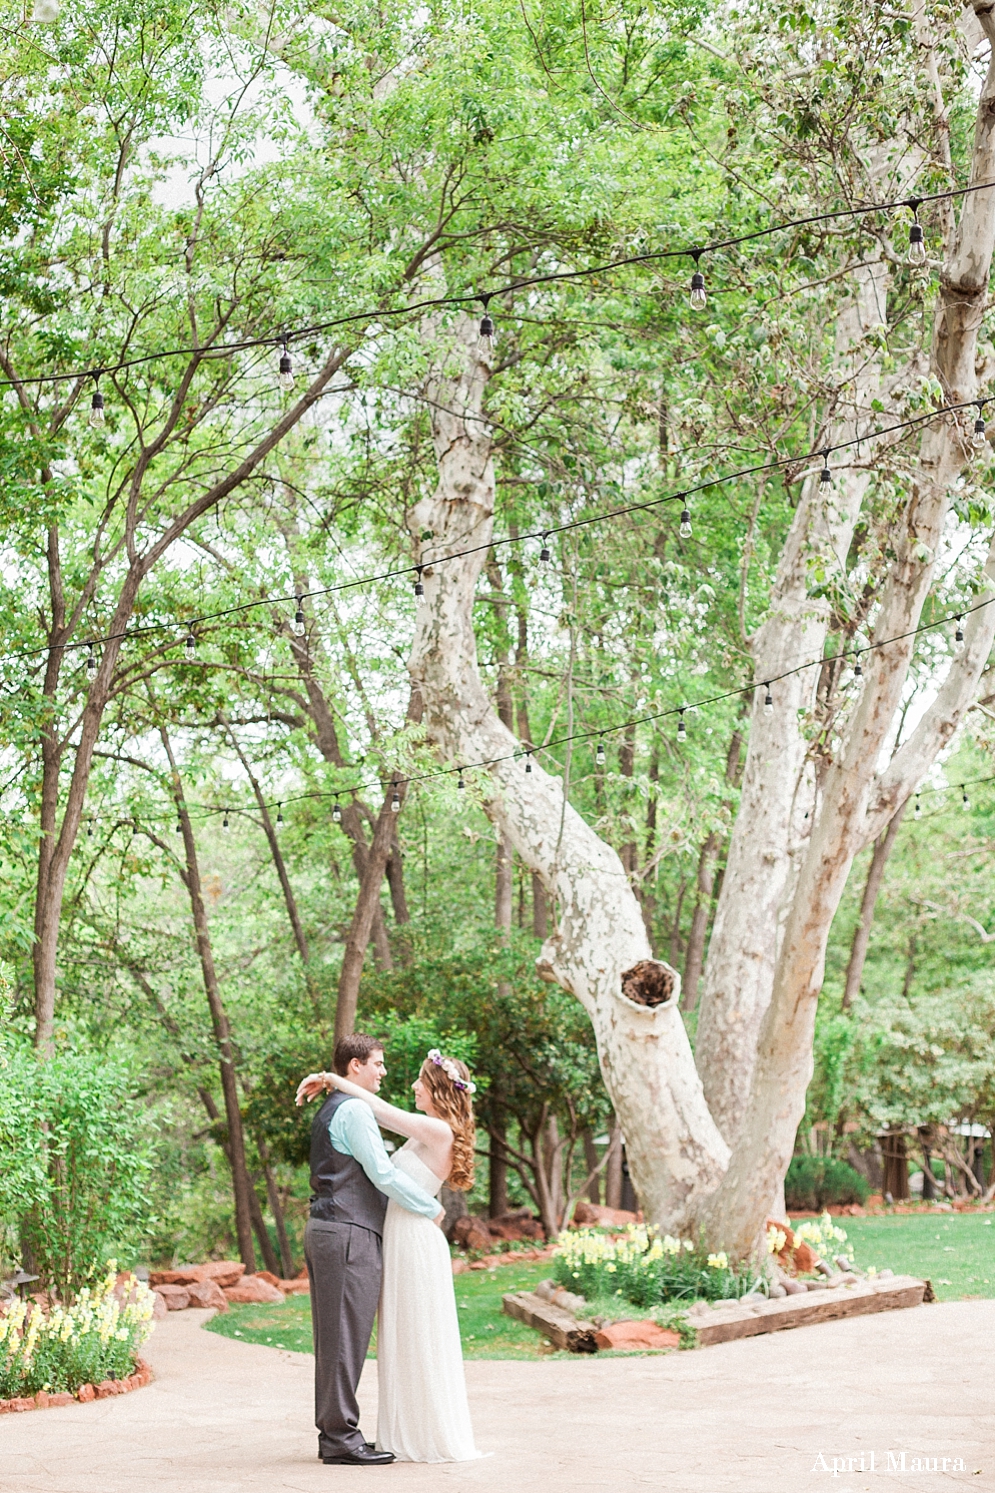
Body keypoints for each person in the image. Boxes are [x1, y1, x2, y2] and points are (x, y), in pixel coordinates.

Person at [297, 1046, 482, 1463]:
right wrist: (335, 1082)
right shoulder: (423, 1130)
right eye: (379, 1064)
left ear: (438, 1090)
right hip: (392, 1234)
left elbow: (378, 1113)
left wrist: (331, 1079)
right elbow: (377, 1136)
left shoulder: (437, 1131)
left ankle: (422, 1433)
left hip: (415, 1238)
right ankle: (397, 1432)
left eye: (421, 1080)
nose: (412, 1084)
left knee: (416, 1332)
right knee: (397, 1334)